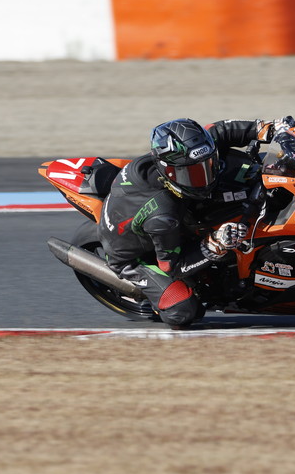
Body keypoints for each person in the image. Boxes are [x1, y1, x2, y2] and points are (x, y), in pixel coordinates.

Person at [98, 117, 285, 328]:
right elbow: (172, 267)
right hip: (137, 256)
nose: (205, 178)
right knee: (185, 312)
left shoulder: (188, 152)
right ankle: (151, 293)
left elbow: (221, 131)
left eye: (209, 165)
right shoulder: (163, 216)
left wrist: (266, 129)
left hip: (151, 214)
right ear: (169, 171)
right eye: (193, 174)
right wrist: (214, 244)